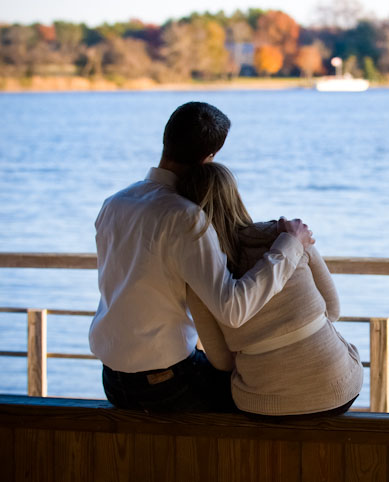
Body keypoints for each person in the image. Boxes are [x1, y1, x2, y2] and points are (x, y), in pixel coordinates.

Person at [89, 101, 314, 412]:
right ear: (210, 158)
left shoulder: (113, 204)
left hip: (112, 381)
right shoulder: (185, 218)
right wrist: (289, 246)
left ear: (166, 140)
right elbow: (232, 308)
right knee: (265, 395)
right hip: (165, 384)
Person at [177, 162, 363, 419]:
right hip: (337, 390)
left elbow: (222, 361)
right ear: (236, 197)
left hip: (262, 403)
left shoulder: (200, 273)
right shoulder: (288, 235)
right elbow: (332, 309)